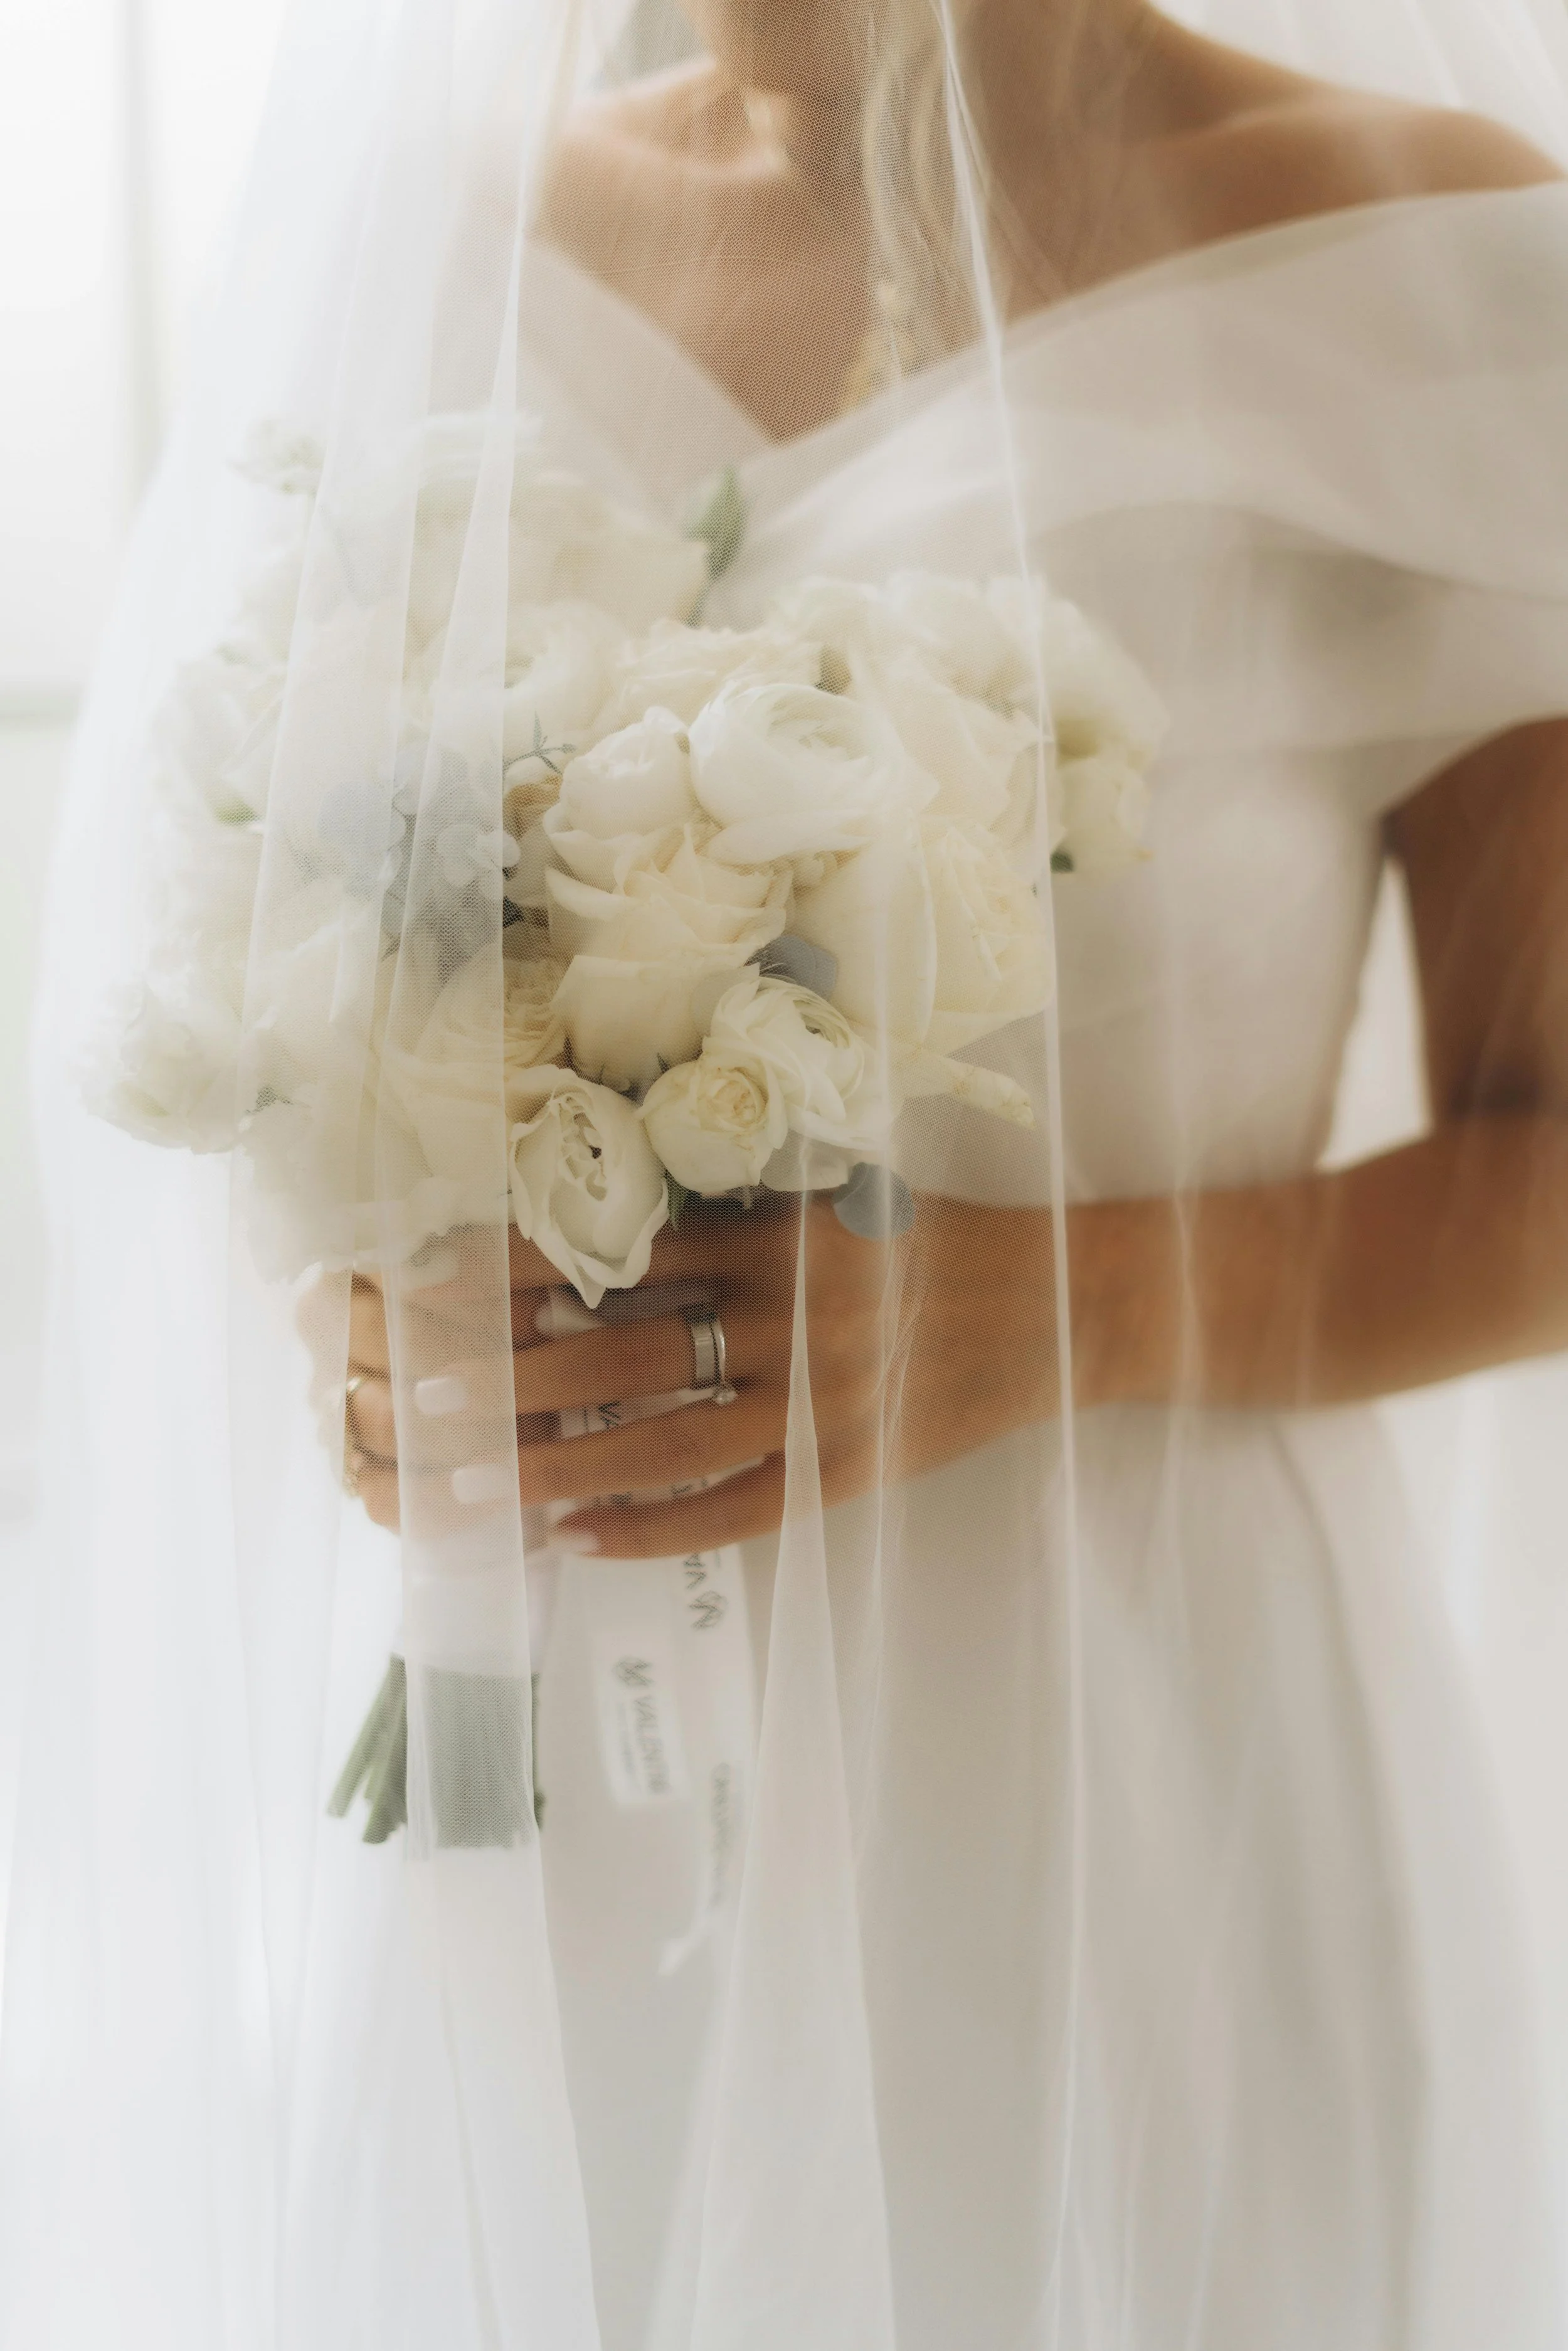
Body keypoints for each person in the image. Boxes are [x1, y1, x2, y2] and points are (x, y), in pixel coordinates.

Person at [13, 3, 1568, 2345]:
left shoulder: (1421, 256)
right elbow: (293, 964)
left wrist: (1040, 1313)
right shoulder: (434, 244)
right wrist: (367, 1315)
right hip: (544, 1827)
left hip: (1132, 1786)